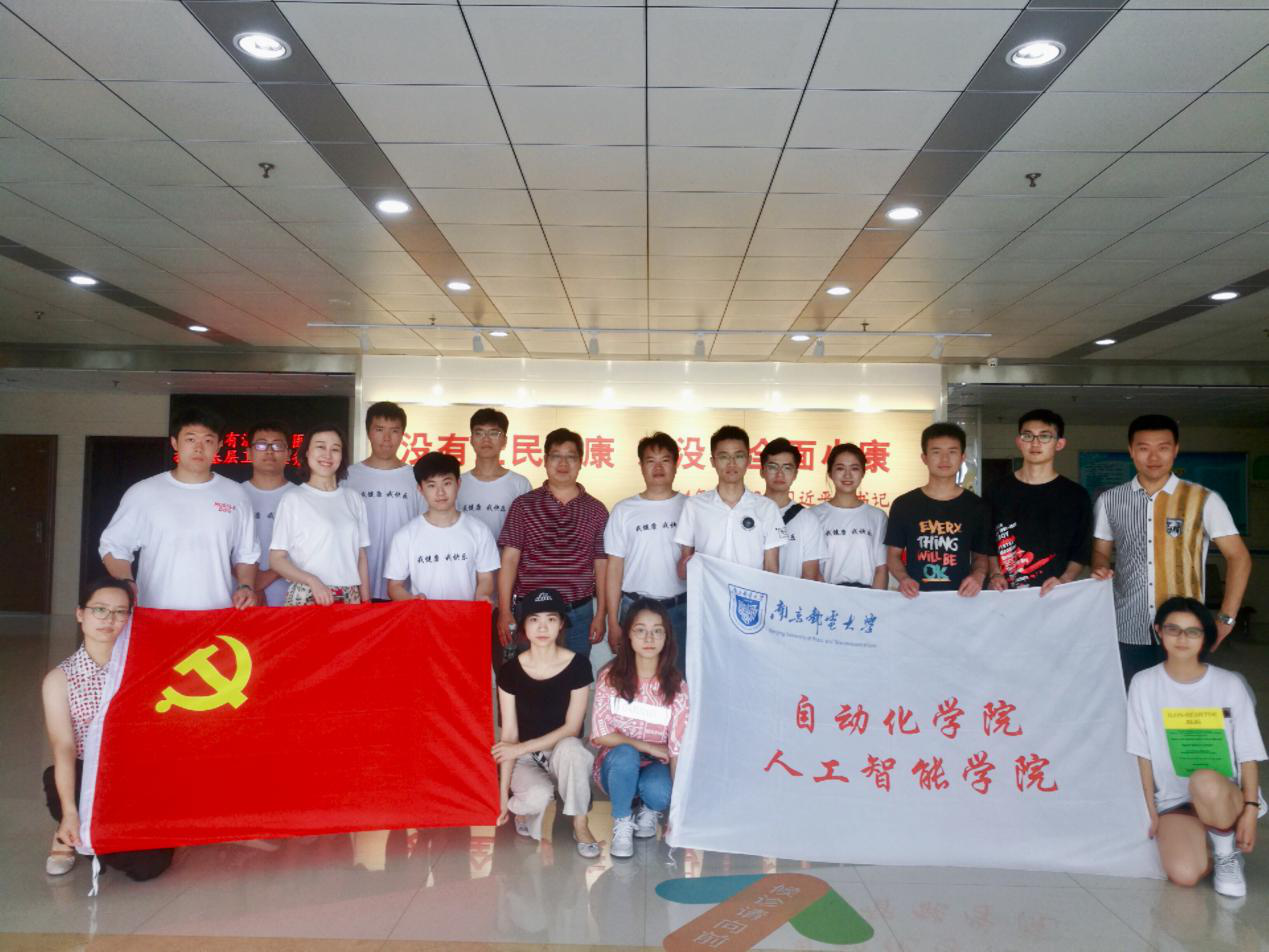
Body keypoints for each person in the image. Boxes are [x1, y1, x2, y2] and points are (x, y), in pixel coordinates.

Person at [1091, 414, 1251, 687]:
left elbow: (1239, 557)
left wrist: (1226, 618)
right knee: (1131, 700)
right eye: (1144, 448)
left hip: (1185, 630)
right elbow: (1100, 551)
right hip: (1127, 627)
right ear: (1131, 451)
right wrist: (1100, 566)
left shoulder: (1204, 499)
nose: (1153, 457)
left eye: (1163, 448)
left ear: (1175, 450)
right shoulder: (1110, 500)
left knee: (1182, 705)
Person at [1127, 597, 1264, 898]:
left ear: (1205, 637)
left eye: (1192, 632)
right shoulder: (1143, 684)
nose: (1182, 639)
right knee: (1185, 875)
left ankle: (1226, 853)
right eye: (1173, 629)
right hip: (1175, 801)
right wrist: (1149, 811)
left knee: (1203, 780)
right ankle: (1208, 841)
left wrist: (1250, 810)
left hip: (1223, 795)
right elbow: (1141, 754)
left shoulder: (1229, 684)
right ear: (1158, 631)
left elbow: (1249, 755)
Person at [42, 579, 174, 880]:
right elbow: (64, 747)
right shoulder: (59, 680)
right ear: (80, 614)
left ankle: (97, 840)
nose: (109, 620)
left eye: (120, 612)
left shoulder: (144, 669)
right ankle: (68, 830)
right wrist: (70, 810)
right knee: (109, 838)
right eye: (99, 610)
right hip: (85, 773)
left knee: (148, 867)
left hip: (133, 776)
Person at [100, 407, 258, 610]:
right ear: (175, 443)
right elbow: (114, 545)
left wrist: (246, 585)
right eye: (190, 439)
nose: (199, 448)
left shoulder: (236, 494)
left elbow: (247, 553)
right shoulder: (143, 492)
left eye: (208, 441)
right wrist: (126, 582)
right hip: (156, 613)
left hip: (218, 614)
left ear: (219, 446)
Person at [492, 588, 600, 858]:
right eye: (534, 619)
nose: (542, 627)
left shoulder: (578, 666)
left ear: (561, 623)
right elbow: (509, 735)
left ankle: (580, 825)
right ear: (524, 626)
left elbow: (572, 728)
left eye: (551, 619)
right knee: (537, 797)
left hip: (562, 753)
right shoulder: (510, 671)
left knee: (573, 748)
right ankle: (522, 809)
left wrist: (519, 747)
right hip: (526, 758)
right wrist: (502, 797)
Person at [591, 598, 689, 859]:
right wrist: (648, 746)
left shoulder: (677, 687)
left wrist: (676, 813)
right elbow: (601, 734)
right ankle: (622, 821)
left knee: (659, 791)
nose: (649, 638)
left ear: (667, 637)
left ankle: (649, 810)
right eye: (640, 630)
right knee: (626, 754)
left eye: (657, 631)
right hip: (616, 766)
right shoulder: (611, 677)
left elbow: (676, 750)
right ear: (628, 635)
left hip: (656, 766)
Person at [497, 428, 608, 658]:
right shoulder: (523, 505)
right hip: (531, 613)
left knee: (575, 675)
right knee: (529, 677)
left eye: (571, 457)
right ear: (545, 460)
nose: (563, 463)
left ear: (581, 462)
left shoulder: (596, 510)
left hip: (578, 613)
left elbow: (602, 565)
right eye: (556, 456)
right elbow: (509, 560)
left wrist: (601, 614)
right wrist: (505, 610)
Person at [987, 409, 1092, 595]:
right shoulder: (996, 491)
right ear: (1019, 441)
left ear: (1059, 444)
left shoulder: (1076, 495)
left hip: (1055, 595)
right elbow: (985, 541)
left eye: (1045, 436)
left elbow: (1081, 550)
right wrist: (995, 574)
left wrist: (1064, 580)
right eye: (1028, 436)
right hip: (1004, 596)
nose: (1035, 443)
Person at [603, 432, 687, 659]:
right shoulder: (624, 510)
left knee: (677, 674)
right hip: (634, 608)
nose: (658, 467)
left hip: (680, 609)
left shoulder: (691, 507)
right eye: (651, 461)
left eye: (665, 460)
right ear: (641, 466)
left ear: (676, 464)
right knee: (632, 675)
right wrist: (613, 621)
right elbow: (614, 568)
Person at [884, 422, 992, 598]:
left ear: (962, 457)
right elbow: (893, 556)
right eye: (936, 452)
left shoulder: (977, 507)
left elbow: (980, 556)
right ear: (924, 458)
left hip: (962, 599)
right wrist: (903, 579)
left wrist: (977, 576)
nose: (944, 459)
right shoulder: (904, 505)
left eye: (952, 452)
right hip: (916, 599)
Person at [270, 424, 370, 605]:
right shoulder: (293, 499)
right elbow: (276, 559)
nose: (327, 455)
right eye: (320, 447)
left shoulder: (353, 498)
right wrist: (311, 580)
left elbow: (361, 555)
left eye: (335, 449)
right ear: (307, 452)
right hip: (308, 594)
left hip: (350, 597)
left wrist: (366, 600)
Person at [385, 452, 499, 602]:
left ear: (458, 484)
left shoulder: (479, 531)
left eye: (447, 483)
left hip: (465, 614)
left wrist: (482, 596)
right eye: (431, 485)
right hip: (424, 615)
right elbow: (394, 586)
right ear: (420, 489)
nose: (440, 492)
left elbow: (485, 578)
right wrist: (413, 601)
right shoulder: (405, 535)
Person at [675, 425, 786, 576]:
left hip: (749, 592)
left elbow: (772, 570)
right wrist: (688, 565)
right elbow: (683, 571)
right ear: (713, 461)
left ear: (748, 460)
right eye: (724, 457)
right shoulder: (694, 506)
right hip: (707, 591)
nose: (732, 463)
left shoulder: (767, 508)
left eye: (739, 456)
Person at [344, 402, 422, 601]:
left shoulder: (416, 477)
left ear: (402, 435)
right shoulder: (348, 477)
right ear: (368, 432)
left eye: (394, 431)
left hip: (403, 586)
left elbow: (424, 529)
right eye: (379, 430)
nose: (387, 438)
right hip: (356, 584)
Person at [813, 442, 888, 589]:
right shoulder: (813, 516)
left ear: (863, 473)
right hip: (827, 594)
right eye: (840, 468)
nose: (847, 475)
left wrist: (874, 600)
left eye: (854, 468)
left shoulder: (877, 516)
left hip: (866, 595)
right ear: (830, 473)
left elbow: (881, 568)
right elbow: (812, 568)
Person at [240, 420, 294, 607]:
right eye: (261, 445)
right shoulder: (234, 495)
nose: (269, 451)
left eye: (277, 445)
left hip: (289, 597)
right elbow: (222, 547)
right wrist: (249, 582)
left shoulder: (301, 497)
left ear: (288, 453)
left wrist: (263, 580)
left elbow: (308, 548)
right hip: (241, 596)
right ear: (249, 453)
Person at [457, 408, 532, 541]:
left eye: (494, 433)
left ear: (504, 441)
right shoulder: (457, 483)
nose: (486, 439)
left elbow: (527, 532)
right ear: (471, 440)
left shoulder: (520, 484)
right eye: (479, 433)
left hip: (507, 555)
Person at [760, 437, 823, 580]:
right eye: (773, 467)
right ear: (762, 471)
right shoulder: (749, 513)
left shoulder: (808, 519)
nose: (780, 474)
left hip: (792, 595)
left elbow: (810, 576)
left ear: (795, 474)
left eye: (787, 468)